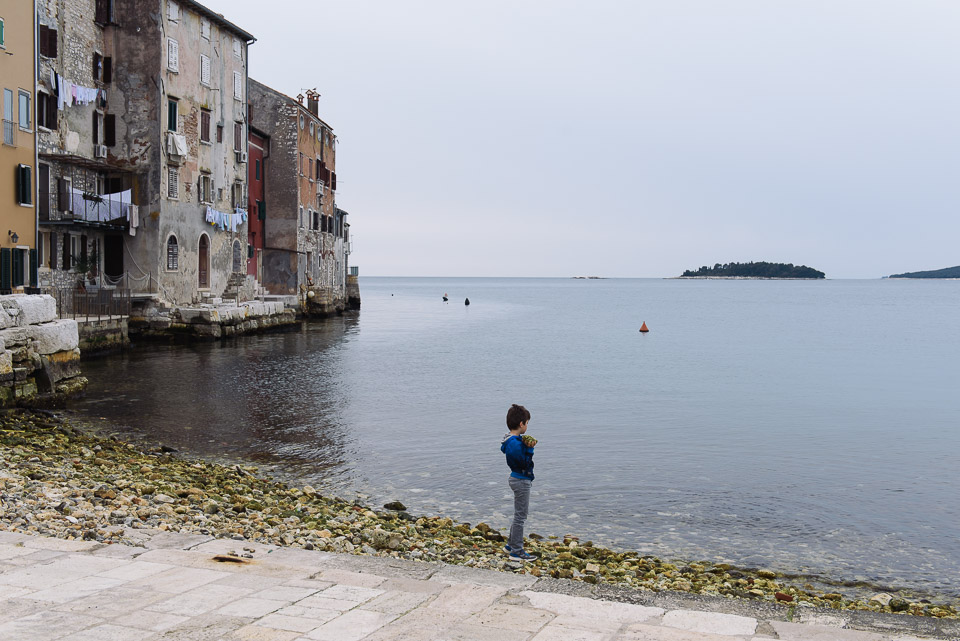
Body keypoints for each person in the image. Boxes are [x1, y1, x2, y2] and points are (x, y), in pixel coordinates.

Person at [500, 403, 537, 561]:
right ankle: (517, 551)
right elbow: (522, 462)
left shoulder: (511, 440)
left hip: (517, 478)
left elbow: (506, 450)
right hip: (520, 479)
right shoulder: (515, 443)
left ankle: (510, 545)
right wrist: (529, 449)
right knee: (521, 516)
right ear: (521, 424)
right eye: (527, 423)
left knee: (518, 515)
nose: (527, 426)